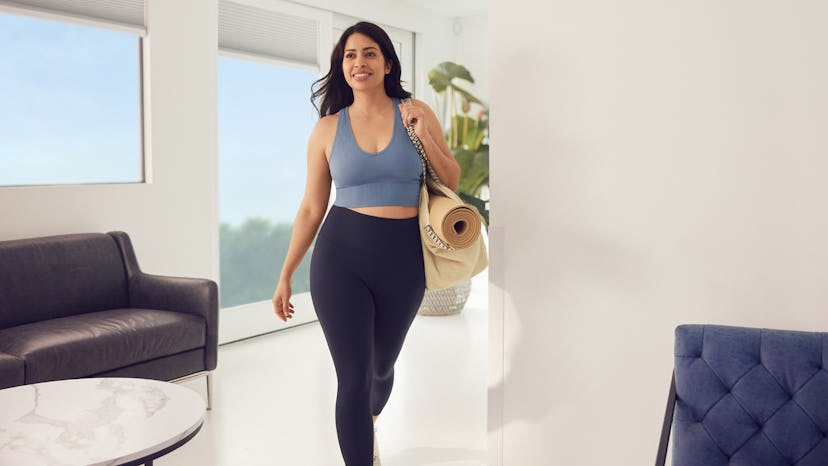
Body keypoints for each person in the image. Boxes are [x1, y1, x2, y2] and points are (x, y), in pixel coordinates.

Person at [271, 21, 460, 466]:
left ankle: (367, 422)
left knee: (381, 368)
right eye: (350, 55)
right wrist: (286, 273)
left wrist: (423, 133)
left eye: (370, 53)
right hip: (340, 260)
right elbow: (311, 208)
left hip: (404, 261)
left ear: (387, 63)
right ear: (342, 67)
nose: (360, 62)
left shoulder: (415, 112)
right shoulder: (327, 129)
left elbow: (451, 180)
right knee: (353, 377)